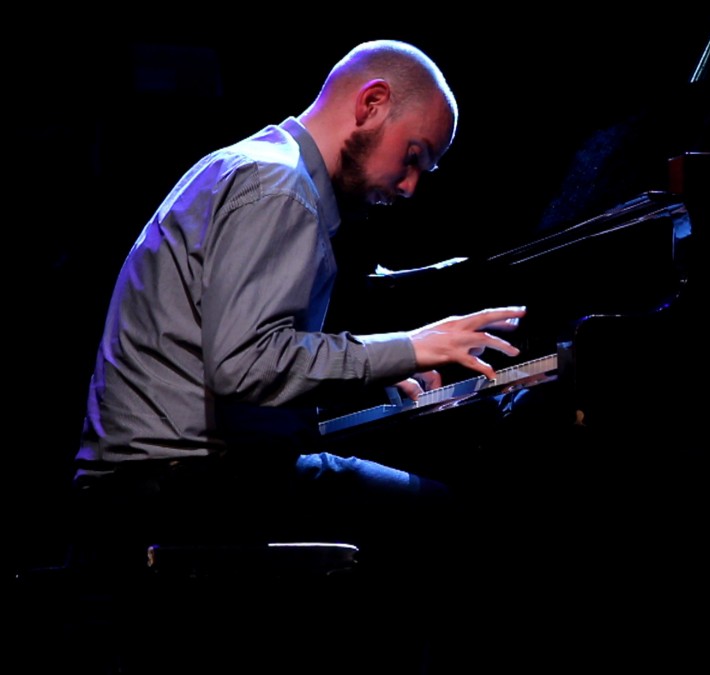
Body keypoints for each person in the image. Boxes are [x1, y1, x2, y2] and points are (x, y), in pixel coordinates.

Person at [66, 39, 524, 673]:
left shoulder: (255, 166)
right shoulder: (278, 188)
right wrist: (406, 347)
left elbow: (241, 362)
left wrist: (381, 369)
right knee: (441, 517)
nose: (411, 186)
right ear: (372, 103)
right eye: (413, 156)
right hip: (176, 491)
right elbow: (246, 367)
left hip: (154, 482)